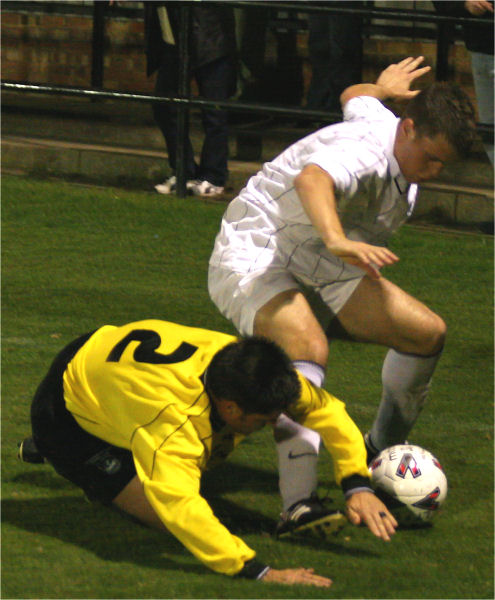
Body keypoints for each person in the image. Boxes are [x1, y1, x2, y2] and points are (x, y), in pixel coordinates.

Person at [208, 57, 476, 535]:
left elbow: (354, 97)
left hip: (325, 258)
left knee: (426, 334)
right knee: (308, 349)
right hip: (258, 251)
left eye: (444, 164)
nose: (434, 171)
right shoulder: (368, 154)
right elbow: (313, 178)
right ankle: (298, 507)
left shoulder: (386, 122)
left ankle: (376, 458)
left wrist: (381, 88)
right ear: (410, 129)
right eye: (431, 157)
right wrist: (336, 238)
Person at [20, 319, 397, 587]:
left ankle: (120, 438)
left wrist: (357, 484)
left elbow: (325, 410)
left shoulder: (249, 367)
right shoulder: (176, 424)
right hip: (65, 413)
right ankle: (53, 450)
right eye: (266, 419)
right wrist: (257, 570)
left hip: (110, 366)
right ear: (231, 407)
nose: (274, 423)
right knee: (166, 515)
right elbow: (181, 507)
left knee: (209, 448)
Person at [143, 2, 237, 197]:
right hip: (177, 38)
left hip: (208, 36)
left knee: (214, 111)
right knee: (164, 106)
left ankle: (213, 176)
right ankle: (183, 171)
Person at [433, 0, 494, 164]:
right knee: (490, 129)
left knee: (490, 128)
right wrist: (464, 4)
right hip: (482, 47)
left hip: (482, 45)